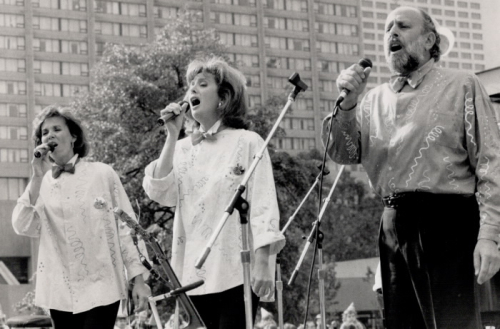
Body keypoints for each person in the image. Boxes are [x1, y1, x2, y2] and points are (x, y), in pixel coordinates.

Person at [322, 5, 500, 329]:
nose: (392, 32)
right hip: (392, 222)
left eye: (402, 26)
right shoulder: (373, 100)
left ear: (429, 38)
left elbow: (491, 163)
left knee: (451, 323)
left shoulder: (462, 85)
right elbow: (342, 152)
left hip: (447, 220)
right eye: (388, 27)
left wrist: (489, 235)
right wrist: (348, 105)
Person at [142, 56, 285, 329]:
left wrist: (265, 262)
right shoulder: (183, 149)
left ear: (224, 97)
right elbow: (159, 191)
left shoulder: (247, 141)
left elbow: (263, 204)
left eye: (202, 84)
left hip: (237, 270)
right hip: (193, 273)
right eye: (190, 85)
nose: (192, 90)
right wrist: (171, 136)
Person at [11, 106, 151, 329]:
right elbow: (22, 225)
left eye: (57, 128)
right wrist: (37, 177)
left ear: (73, 136)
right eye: (44, 132)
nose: (50, 135)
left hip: (102, 283)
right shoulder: (42, 184)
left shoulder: (102, 173)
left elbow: (127, 229)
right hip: (60, 290)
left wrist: (138, 278)